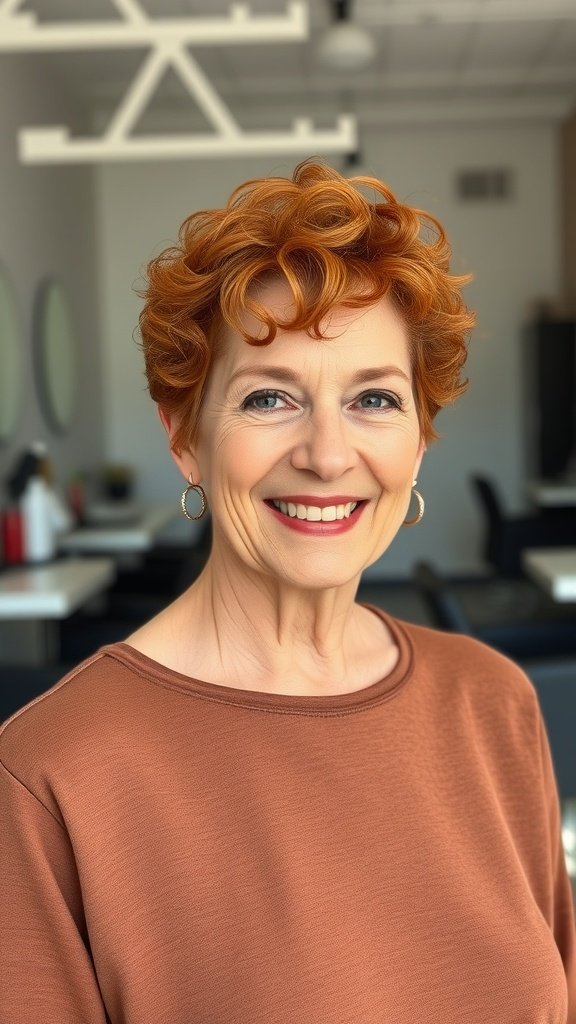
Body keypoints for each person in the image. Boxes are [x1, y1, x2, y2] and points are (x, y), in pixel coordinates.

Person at [1, 160, 574, 1024]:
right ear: (185, 436)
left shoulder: (492, 702)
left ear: (419, 439)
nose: (328, 453)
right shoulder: (52, 774)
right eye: (270, 397)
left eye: (375, 399)